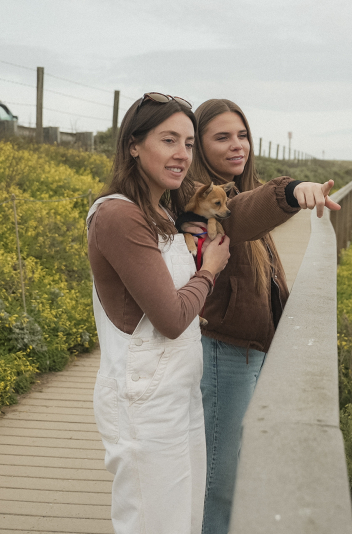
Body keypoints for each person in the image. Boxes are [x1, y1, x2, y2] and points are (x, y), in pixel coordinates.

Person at [183, 98, 339, 533]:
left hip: (249, 350)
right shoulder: (201, 198)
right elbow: (242, 220)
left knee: (235, 470)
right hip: (223, 351)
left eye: (243, 135)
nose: (238, 146)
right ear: (199, 146)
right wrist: (290, 192)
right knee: (220, 481)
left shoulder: (232, 190)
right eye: (222, 137)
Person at [86, 92, 231, 534]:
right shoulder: (118, 216)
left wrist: (290, 194)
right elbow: (169, 319)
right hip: (143, 398)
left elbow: (232, 208)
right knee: (154, 524)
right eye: (169, 140)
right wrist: (208, 271)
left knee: (181, 521)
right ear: (134, 144)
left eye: (188, 144)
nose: (182, 155)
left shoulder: (164, 211)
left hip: (176, 391)